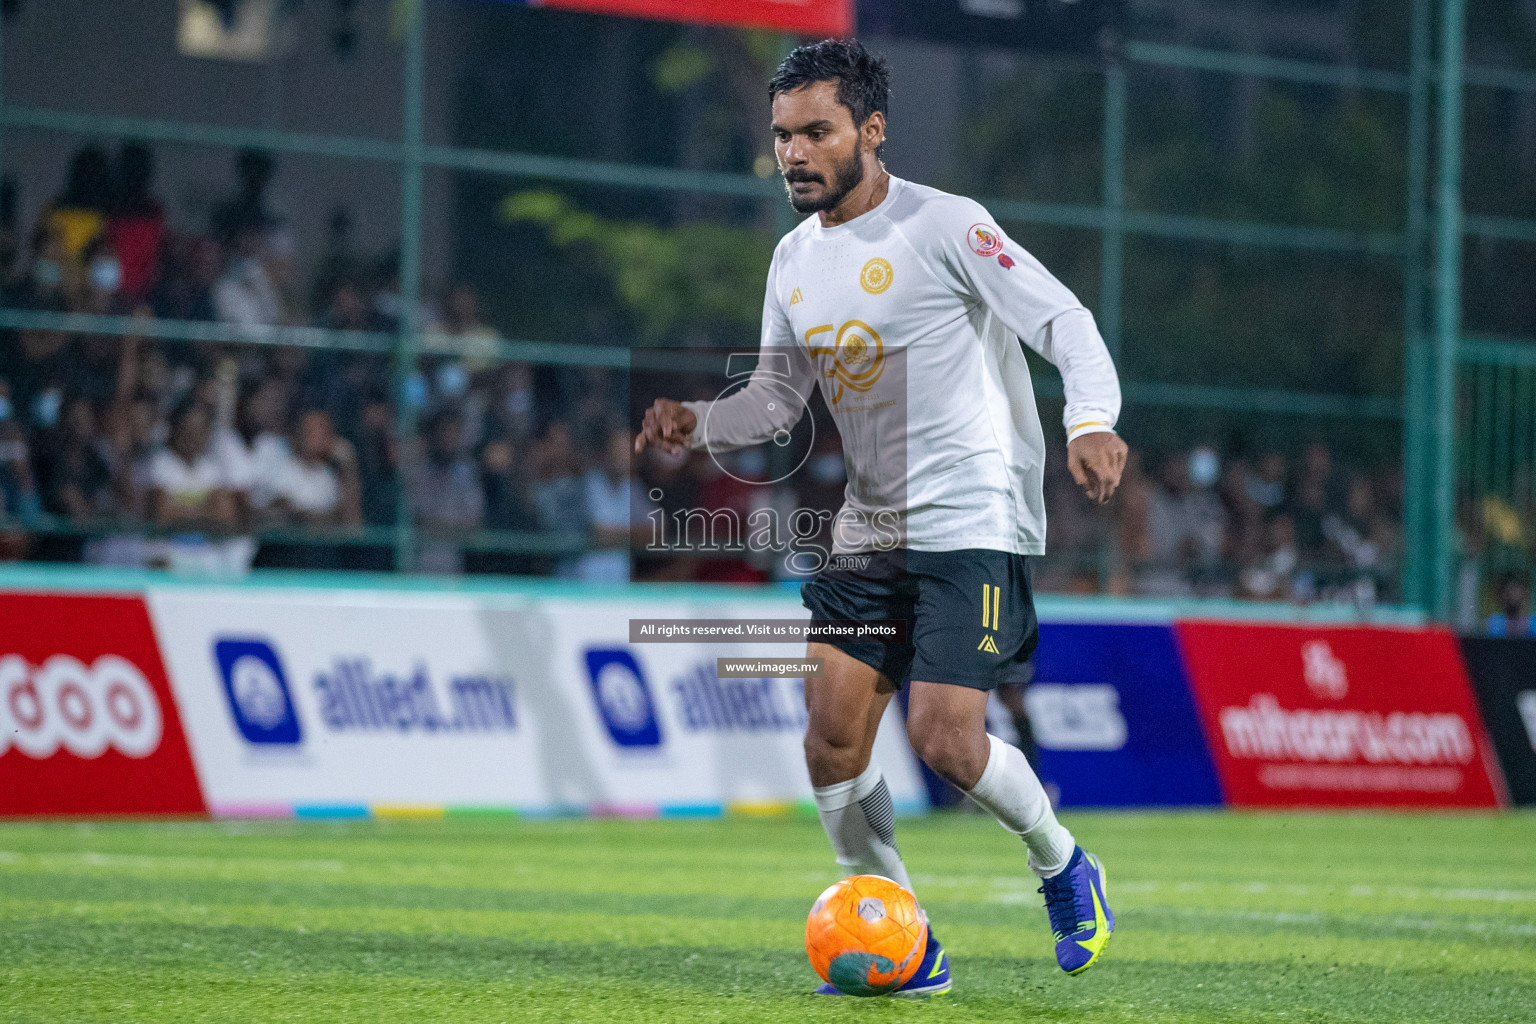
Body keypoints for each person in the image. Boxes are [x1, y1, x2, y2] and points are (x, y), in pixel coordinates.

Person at [634, 40, 1126, 994]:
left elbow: (1064, 321)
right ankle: (904, 943)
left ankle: (1064, 864)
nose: (794, 153)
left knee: (947, 740)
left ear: (872, 129)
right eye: (782, 135)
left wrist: (1092, 421)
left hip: (975, 514)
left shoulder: (947, 226)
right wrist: (699, 421)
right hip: (872, 528)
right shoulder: (791, 260)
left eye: (815, 131)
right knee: (829, 739)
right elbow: (776, 402)